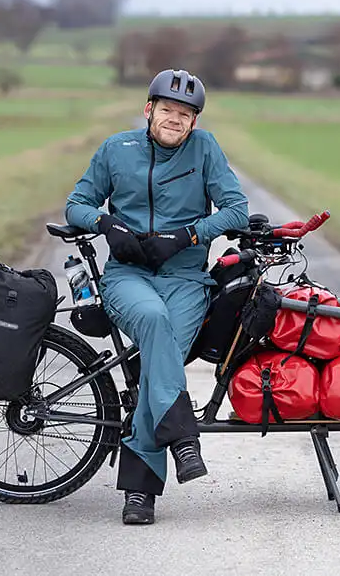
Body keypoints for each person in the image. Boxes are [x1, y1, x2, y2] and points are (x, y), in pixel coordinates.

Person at [64, 69, 249, 525]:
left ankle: (140, 493)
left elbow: (236, 209)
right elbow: (76, 204)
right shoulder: (115, 149)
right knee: (152, 320)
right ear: (149, 110)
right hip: (128, 277)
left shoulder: (205, 150)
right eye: (168, 110)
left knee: (155, 365)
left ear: (194, 122)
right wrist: (108, 226)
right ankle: (182, 436)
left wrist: (188, 235)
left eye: (185, 115)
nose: (176, 120)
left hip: (186, 279)